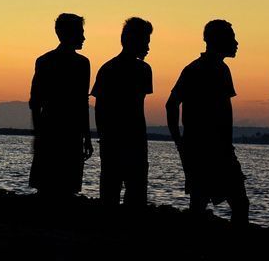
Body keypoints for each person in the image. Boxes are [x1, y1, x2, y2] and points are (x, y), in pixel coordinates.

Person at [166, 19, 250, 224]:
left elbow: (171, 104)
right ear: (217, 40)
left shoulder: (213, 69)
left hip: (209, 148)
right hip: (209, 149)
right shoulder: (203, 69)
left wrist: (181, 142)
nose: (236, 43)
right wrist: (180, 142)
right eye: (231, 38)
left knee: (201, 202)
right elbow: (171, 104)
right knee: (236, 203)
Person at [28, 13, 93, 197]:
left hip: (56, 130)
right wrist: (86, 136)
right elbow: (82, 103)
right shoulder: (81, 64)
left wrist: (38, 133)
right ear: (67, 34)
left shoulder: (45, 61)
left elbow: (35, 102)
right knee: (65, 186)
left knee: (49, 186)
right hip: (65, 131)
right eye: (80, 32)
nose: (83, 37)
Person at [92, 17, 154, 207]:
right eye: (146, 40)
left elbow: (100, 108)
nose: (148, 46)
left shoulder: (108, 68)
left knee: (112, 191)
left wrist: (104, 135)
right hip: (128, 140)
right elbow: (102, 107)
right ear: (134, 40)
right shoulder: (143, 70)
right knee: (133, 192)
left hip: (119, 139)